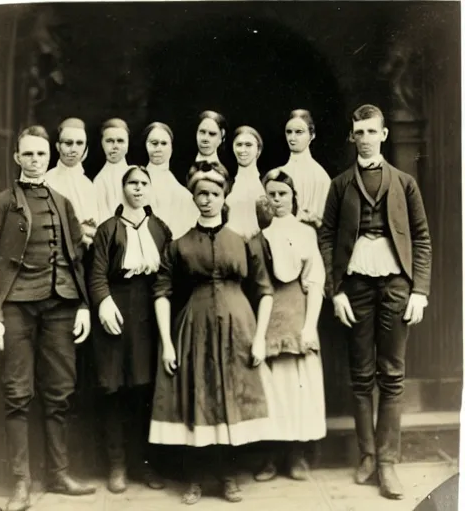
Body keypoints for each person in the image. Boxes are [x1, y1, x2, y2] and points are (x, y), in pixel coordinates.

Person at [0, 125, 96, 511]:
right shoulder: (1, 203)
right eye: (28, 154)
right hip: (16, 309)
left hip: (60, 306)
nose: (35, 160)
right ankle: (21, 482)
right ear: (17, 158)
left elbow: (78, 260)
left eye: (41, 154)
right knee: (17, 394)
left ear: (50, 156)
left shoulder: (63, 202)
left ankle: (58, 474)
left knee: (60, 391)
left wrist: (82, 305)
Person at [318, 104, 432, 500]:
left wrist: (419, 290)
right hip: (356, 287)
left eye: (371, 131)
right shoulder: (340, 185)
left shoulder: (404, 183)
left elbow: (421, 238)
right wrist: (335, 291)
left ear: (383, 135)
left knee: (392, 375)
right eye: (358, 132)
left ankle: (388, 462)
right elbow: (326, 238)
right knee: (362, 375)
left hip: (397, 285)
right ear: (352, 137)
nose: (364, 137)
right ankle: (367, 455)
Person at [149, 161, 278, 505]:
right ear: (193, 198)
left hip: (239, 329)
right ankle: (194, 477)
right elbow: (161, 292)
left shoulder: (244, 242)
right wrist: (166, 344)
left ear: (225, 198)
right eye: (200, 194)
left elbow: (265, 290)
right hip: (195, 328)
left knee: (230, 399)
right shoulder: (178, 245)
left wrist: (261, 337)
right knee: (197, 397)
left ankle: (228, 476)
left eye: (214, 193)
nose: (207, 199)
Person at [89, 165, 170, 494]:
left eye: (143, 183)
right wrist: (104, 302)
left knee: (144, 390)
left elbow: (167, 273)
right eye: (132, 183)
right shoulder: (108, 229)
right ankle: (117, 465)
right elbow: (95, 274)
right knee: (114, 390)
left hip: (148, 314)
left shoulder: (161, 228)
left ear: (150, 188)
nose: (138, 188)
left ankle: (143, 464)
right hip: (115, 312)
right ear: (122, 189)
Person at [252, 170, 326, 482]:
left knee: (298, 388)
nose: (278, 199)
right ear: (265, 198)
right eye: (273, 194)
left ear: (293, 196)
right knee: (271, 389)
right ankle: (270, 456)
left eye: (283, 193)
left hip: (297, 310)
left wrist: (309, 325)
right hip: (269, 315)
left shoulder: (306, 233)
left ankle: (296, 454)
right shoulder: (259, 238)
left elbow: (315, 280)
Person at [44, 117, 98, 245]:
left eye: (79, 143)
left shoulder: (89, 185)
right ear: (58, 146)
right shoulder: (47, 180)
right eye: (68, 143)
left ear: (85, 147)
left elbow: (94, 225)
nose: (74, 149)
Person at [144, 122, 198, 239]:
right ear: (146, 146)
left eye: (164, 143)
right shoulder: (137, 180)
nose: (158, 148)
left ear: (171, 148)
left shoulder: (182, 193)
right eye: (154, 143)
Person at [281, 109, 331, 229]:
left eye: (299, 132)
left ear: (312, 135)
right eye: (289, 132)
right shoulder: (279, 173)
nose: (292, 138)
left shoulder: (320, 176)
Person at [226, 126, 265, 240]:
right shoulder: (228, 183)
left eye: (248, 145)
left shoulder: (266, 182)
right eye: (239, 145)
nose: (242, 150)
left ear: (258, 149)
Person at [94, 118, 131, 223]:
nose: (115, 146)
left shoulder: (137, 174)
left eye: (120, 141)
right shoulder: (100, 180)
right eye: (110, 141)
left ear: (127, 144)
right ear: (102, 144)